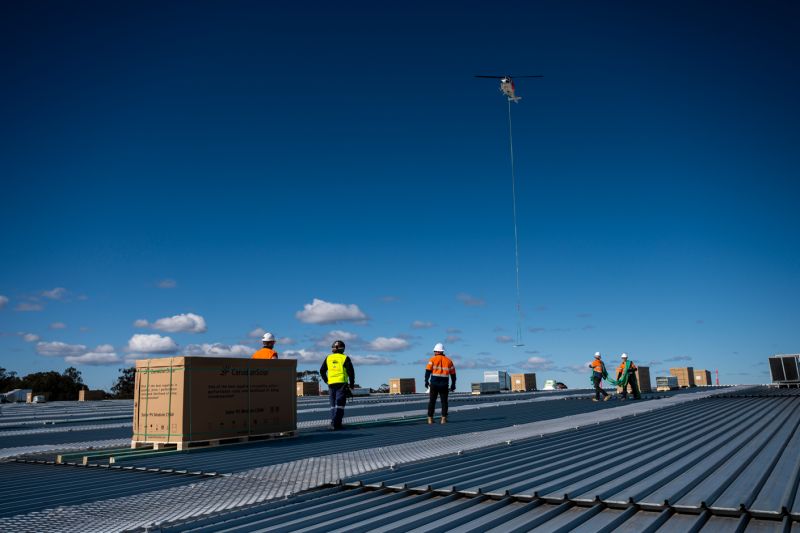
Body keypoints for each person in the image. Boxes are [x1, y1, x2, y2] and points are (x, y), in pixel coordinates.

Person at [320, 339, 355, 430]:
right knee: (340, 404)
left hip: (331, 384)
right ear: (343, 349)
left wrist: (326, 381)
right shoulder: (345, 358)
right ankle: (337, 424)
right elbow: (350, 372)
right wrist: (351, 384)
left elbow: (322, 370)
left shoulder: (328, 358)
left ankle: (333, 422)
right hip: (341, 384)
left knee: (332, 405)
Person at [424, 343, 456, 424]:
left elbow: (427, 371)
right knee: (444, 402)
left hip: (434, 384)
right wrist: (453, 384)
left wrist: (426, 381)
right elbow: (453, 374)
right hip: (444, 384)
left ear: (436, 351)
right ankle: (443, 419)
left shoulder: (432, 359)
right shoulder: (449, 361)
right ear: (442, 351)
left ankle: (430, 419)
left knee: (432, 401)